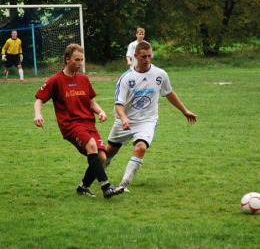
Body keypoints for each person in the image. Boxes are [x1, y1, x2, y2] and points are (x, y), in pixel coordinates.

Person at [33, 43, 124, 199]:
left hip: (88, 123)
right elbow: (39, 99)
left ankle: (83, 187)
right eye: (77, 60)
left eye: (82, 60)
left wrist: (100, 111)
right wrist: (38, 114)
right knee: (92, 145)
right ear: (67, 59)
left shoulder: (84, 79)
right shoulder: (56, 80)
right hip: (70, 125)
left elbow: (90, 102)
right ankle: (106, 187)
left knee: (102, 157)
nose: (80, 63)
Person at [105, 41, 197, 192]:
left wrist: (184, 110)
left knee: (140, 147)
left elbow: (169, 93)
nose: (147, 59)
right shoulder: (126, 78)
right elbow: (119, 103)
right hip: (126, 120)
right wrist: (123, 118)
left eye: (149, 56)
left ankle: (124, 184)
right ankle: (100, 175)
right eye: (143, 56)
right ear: (135, 56)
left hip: (147, 120)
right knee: (109, 152)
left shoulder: (160, 74)